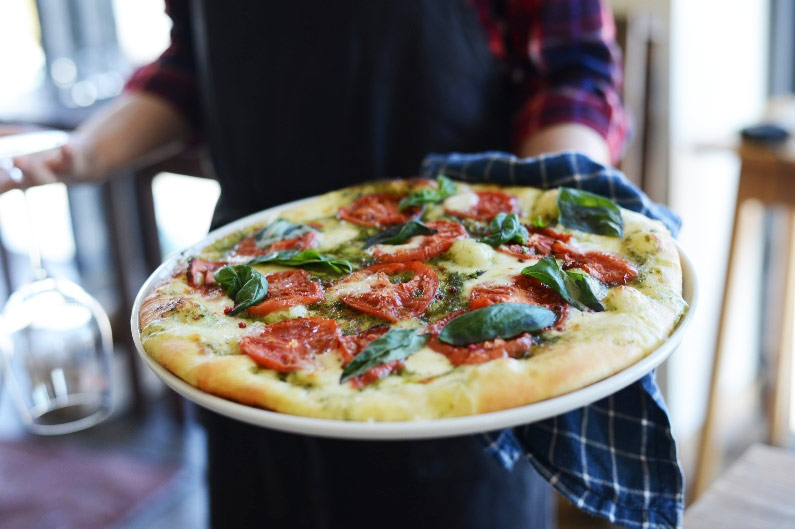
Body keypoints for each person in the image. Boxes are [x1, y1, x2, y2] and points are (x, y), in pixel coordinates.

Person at [2, 1, 628, 527]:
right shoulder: (207, 331)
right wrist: (81, 153)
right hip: (244, 292)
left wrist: (546, 210)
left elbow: (571, 69)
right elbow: (190, 66)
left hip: (464, 277)